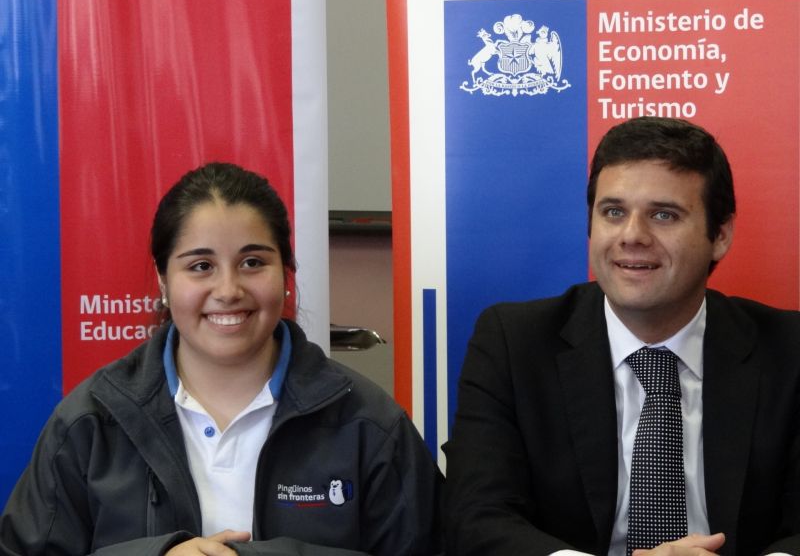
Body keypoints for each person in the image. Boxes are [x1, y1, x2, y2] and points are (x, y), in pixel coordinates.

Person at [1, 162, 443, 556]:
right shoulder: (90, 422)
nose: (229, 290)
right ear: (163, 280)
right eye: (201, 266)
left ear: (286, 273)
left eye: (252, 262)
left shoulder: (368, 424)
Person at [443, 117, 800, 556]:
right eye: (613, 212)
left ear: (720, 235)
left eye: (664, 215)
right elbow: (476, 515)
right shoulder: (514, 343)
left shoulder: (789, 350)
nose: (632, 236)